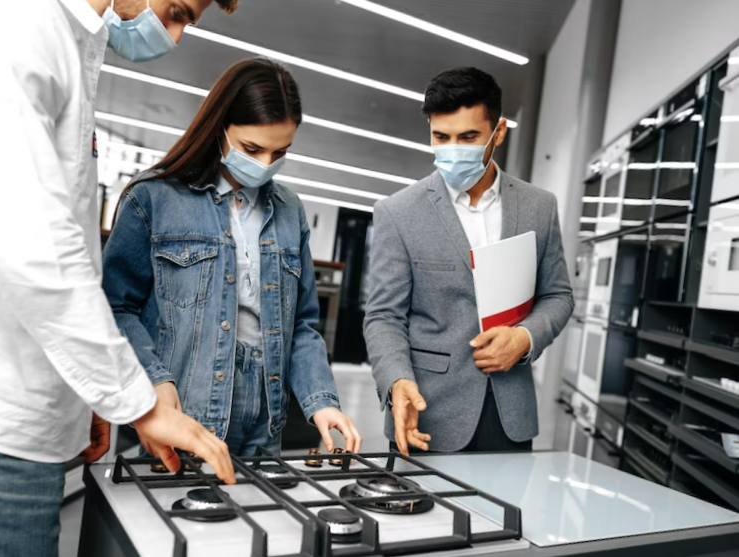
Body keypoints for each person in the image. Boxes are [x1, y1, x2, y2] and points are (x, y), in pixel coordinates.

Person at [0, 0, 239, 555]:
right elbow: (29, 245)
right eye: (178, 10)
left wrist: (87, 397)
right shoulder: (3, 23)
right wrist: (135, 400)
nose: (175, 36)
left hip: (10, 441)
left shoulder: (68, 39)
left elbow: (59, 247)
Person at [102, 58, 362, 458]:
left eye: (279, 153)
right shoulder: (154, 197)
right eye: (252, 149)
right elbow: (116, 307)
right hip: (185, 409)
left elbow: (304, 325)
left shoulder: (290, 211)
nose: (263, 165)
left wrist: (320, 400)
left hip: (266, 418)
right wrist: (154, 379)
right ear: (219, 126)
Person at [364, 67, 574, 456]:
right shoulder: (398, 212)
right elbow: (383, 316)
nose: (453, 149)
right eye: (440, 137)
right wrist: (396, 382)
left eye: (469, 137)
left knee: (503, 519)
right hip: (426, 411)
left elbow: (558, 296)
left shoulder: (538, 207)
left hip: (510, 415)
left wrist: (524, 338)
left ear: (499, 133)